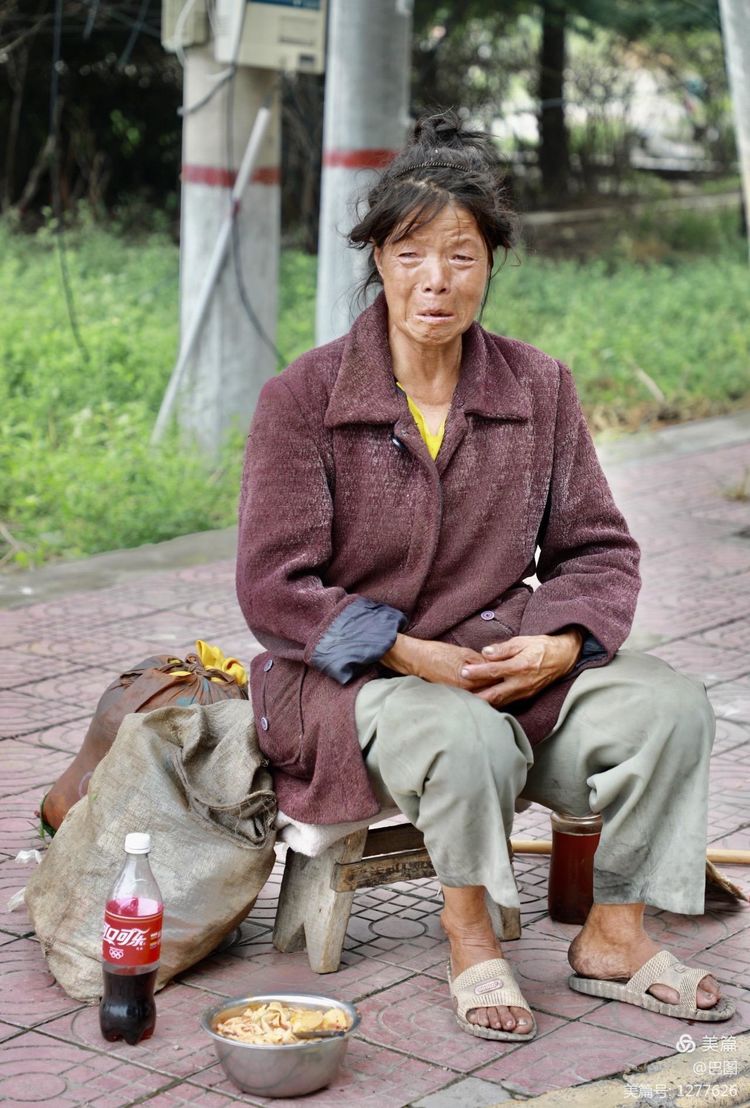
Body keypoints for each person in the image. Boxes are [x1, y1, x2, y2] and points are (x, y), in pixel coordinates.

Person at [236, 111, 733, 1041]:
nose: (436, 280)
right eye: (412, 253)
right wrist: (406, 651)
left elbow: (598, 547)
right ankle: (471, 938)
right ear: (376, 259)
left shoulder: (537, 387)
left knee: (670, 707)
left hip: (509, 669)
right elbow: (274, 585)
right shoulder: (302, 399)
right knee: (460, 736)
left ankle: (616, 935)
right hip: (362, 685)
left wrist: (562, 642)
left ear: (490, 266)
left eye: (461, 256)